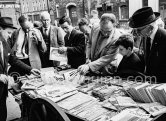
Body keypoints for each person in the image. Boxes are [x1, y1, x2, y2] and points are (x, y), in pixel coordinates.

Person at [0, 17, 40, 121]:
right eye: (8, 32)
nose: (10, 36)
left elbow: (13, 60)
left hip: (2, 88)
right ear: (0, 29)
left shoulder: (4, 43)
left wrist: (30, 69)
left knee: (2, 114)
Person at [129, 7, 166, 83]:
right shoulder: (146, 36)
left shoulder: (164, 37)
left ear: (150, 27)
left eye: (139, 30)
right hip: (151, 82)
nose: (137, 33)